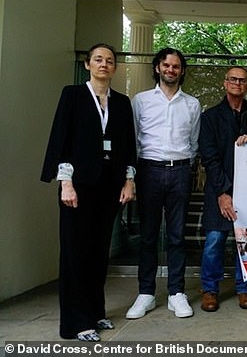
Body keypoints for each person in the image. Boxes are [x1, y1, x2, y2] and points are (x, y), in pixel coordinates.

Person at [41, 43, 136, 341]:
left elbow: (128, 143)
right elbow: (61, 139)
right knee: (75, 252)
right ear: (87, 65)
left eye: (109, 60)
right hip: (78, 186)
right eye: (98, 59)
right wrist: (64, 182)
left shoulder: (121, 102)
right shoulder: (73, 95)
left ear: (115, 67)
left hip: (109, 186)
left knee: (98, 251)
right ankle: (75, 322)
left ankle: (95, 312)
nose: (104, 64)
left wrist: (129, 179)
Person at [127, 47, 201, 320]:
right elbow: (133, 139)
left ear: (182, 71)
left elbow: (193, 144)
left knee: (177, 235)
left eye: (176, 66)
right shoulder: (141, 100)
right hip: (148, 170)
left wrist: (186, 167)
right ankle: (145, 293)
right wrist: (132, 176)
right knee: (147, 235)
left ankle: (176, 293)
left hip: (180, 171)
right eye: (166, 65)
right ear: (158, 67)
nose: (171, 70)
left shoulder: (192, 104)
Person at [198, 66, 247, 312]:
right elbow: (209, 158)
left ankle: (244, 288)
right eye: (233, 79)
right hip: (220, 189)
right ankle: (210, 289)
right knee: (215, 240)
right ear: (225, 83)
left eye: (242, 80)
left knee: (245, 241)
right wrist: (223, 192)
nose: (238, 83)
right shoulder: (210, 116)